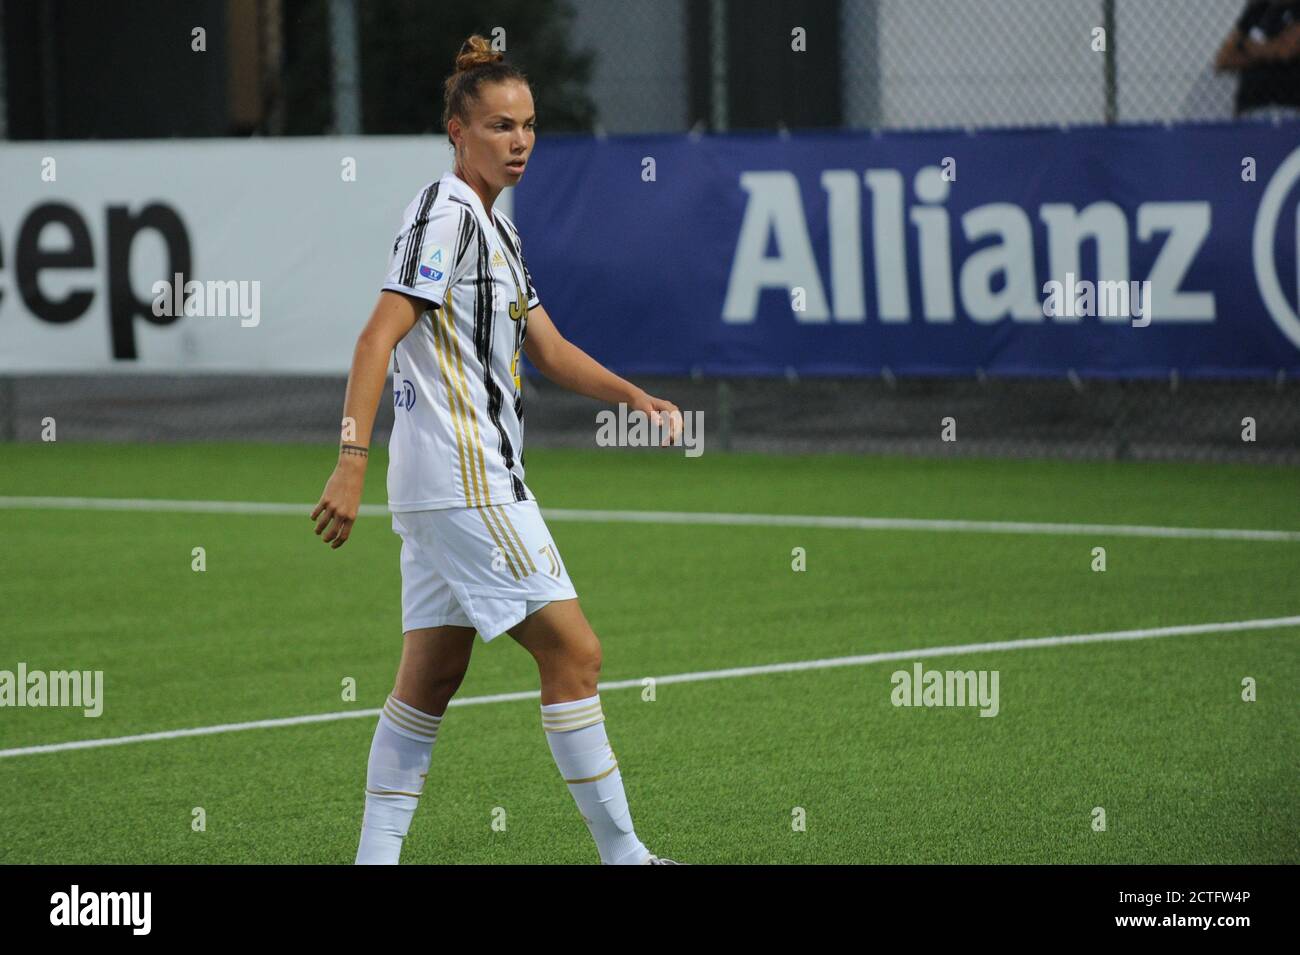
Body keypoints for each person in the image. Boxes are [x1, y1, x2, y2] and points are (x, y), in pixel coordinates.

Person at [310, 34, 685, 865]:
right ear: (457, 130)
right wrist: (349, 456)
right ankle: (627, 859)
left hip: (443, 490)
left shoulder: (495, 229)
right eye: (499, 126)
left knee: (429, 682)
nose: (518, 141)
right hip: (469, 482)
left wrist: (631, 394)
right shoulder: (446, 212)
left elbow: (545, 347)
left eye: (528, 126)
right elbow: (377, 336)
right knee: (576, 653)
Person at [1215, 0, 1300, 118]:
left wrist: (1244, 47)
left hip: (1289, 107)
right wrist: (1268, 50)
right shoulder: (1257, 9)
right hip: (1250, 107)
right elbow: (1223, 59)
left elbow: (1285, 51)